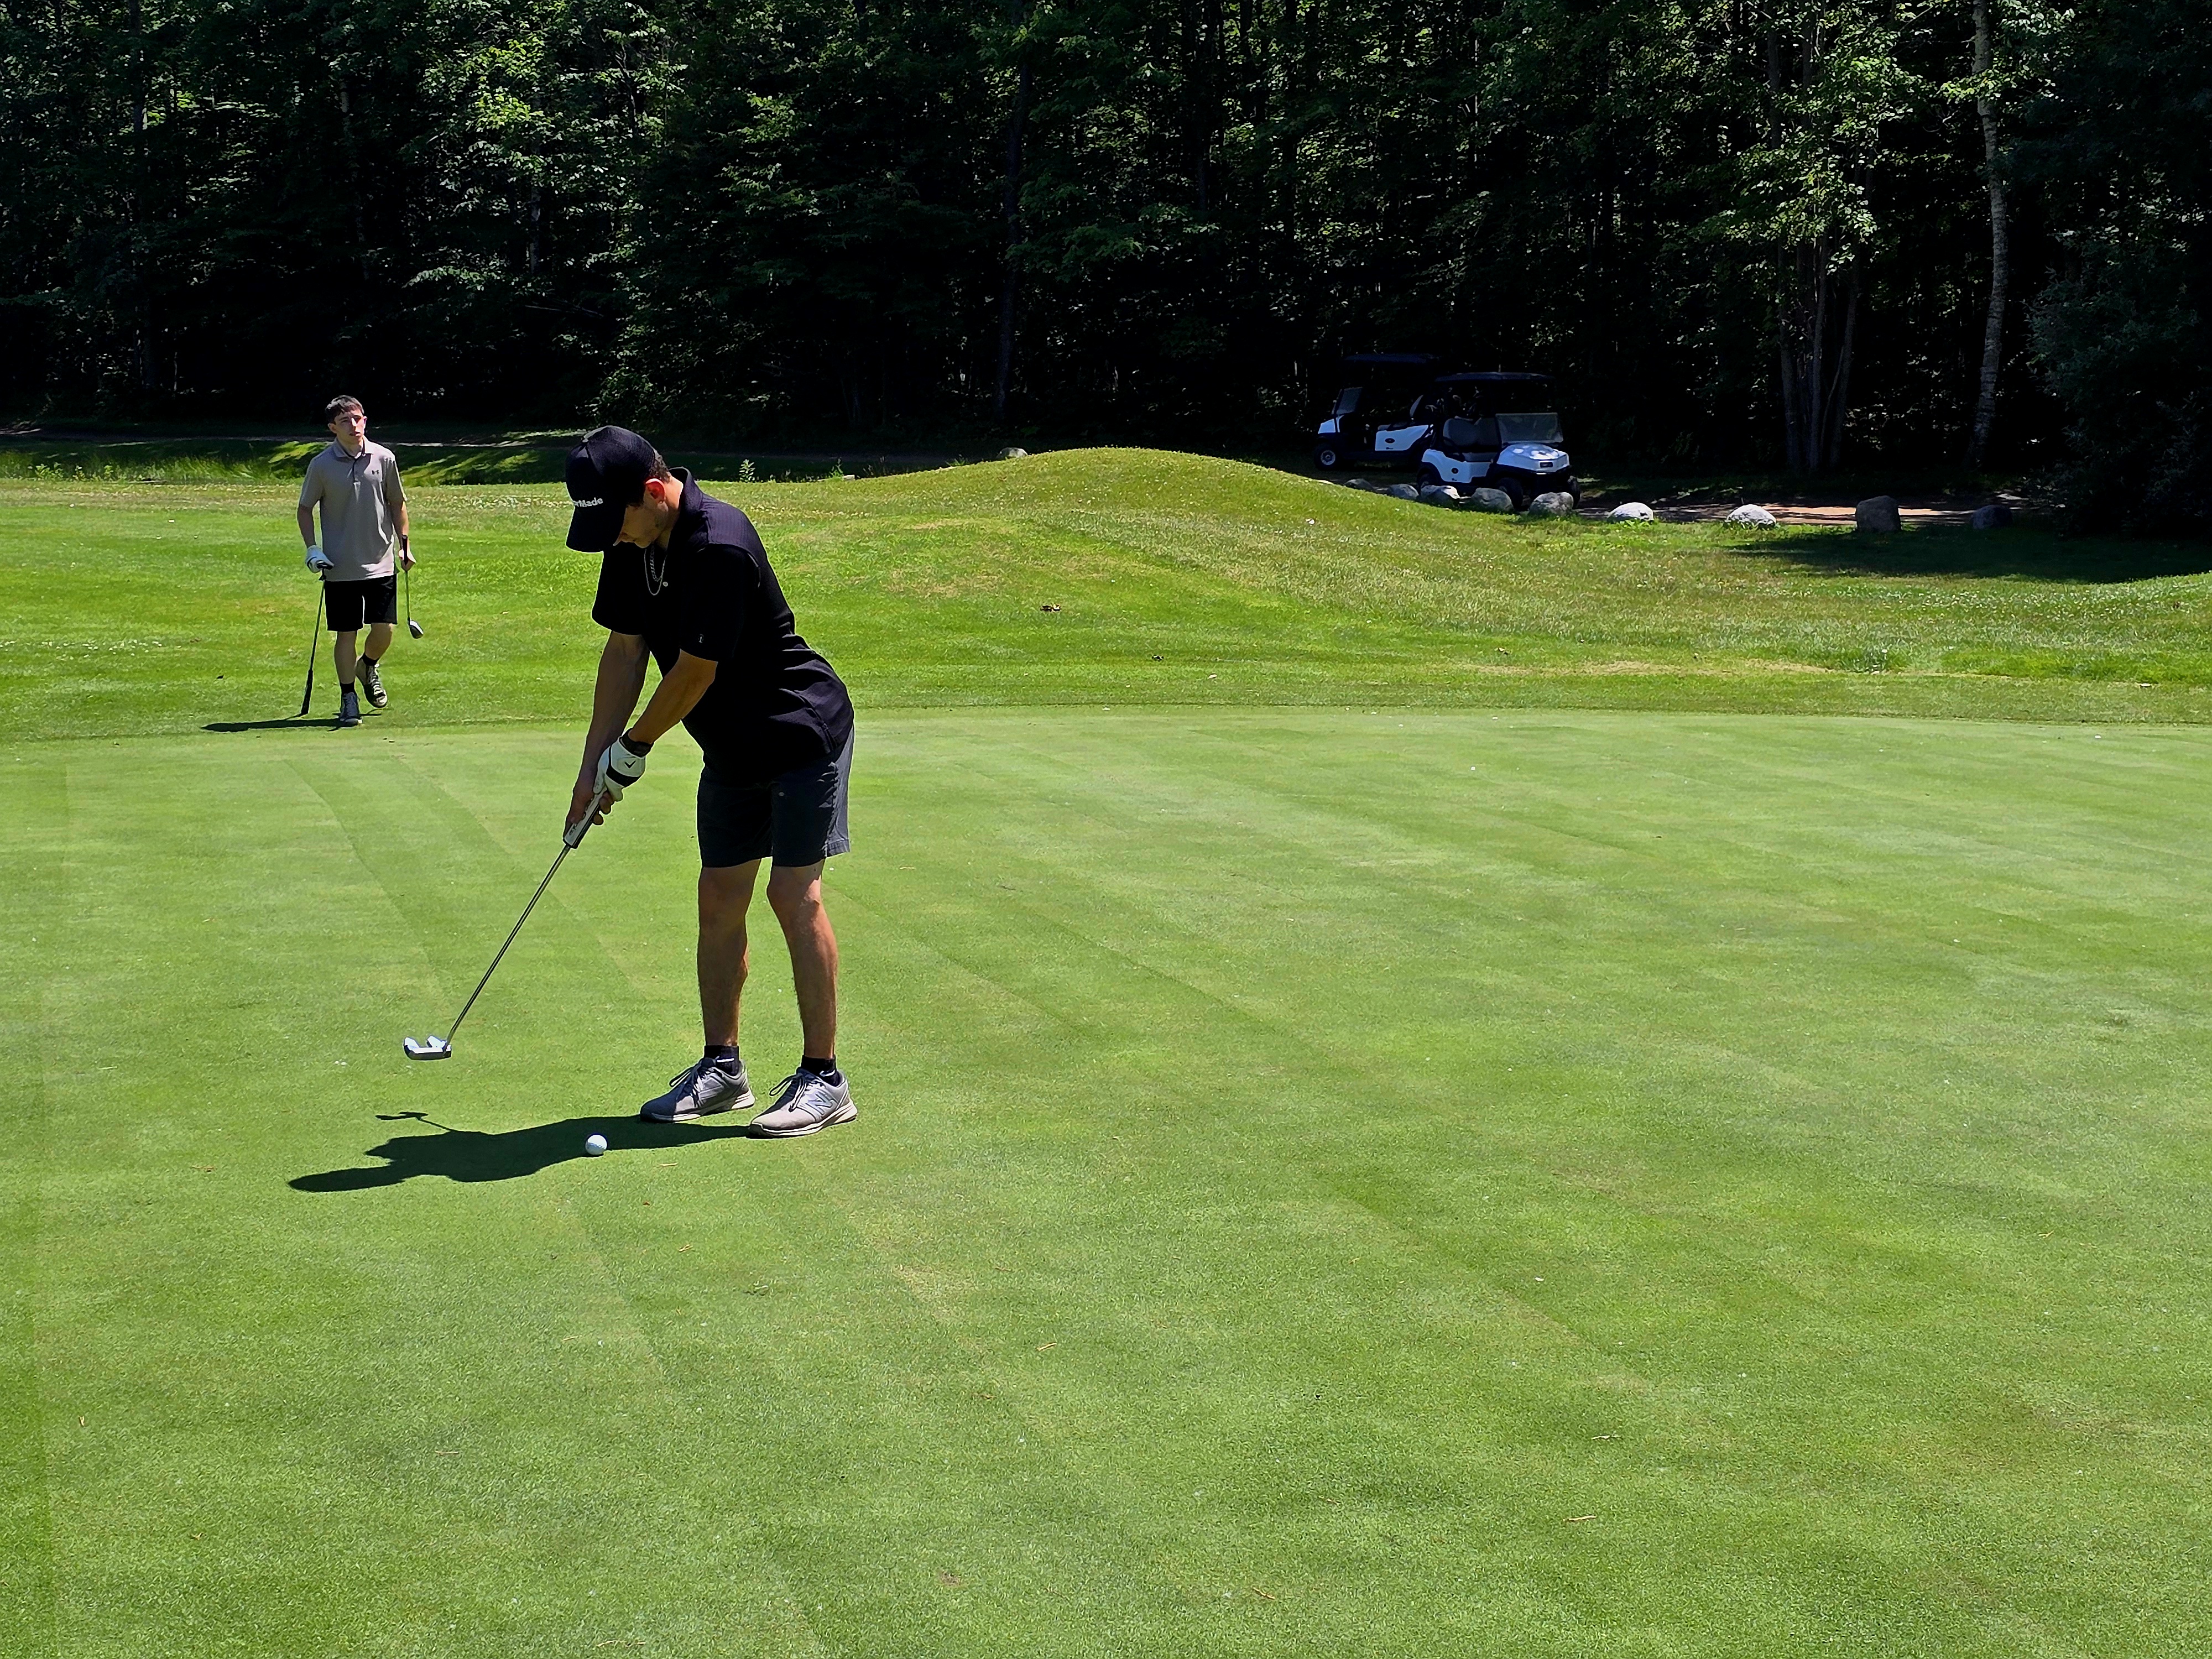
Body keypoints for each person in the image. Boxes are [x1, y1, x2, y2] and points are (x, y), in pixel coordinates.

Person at [564, 426, 858, 1136]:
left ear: (656, 492)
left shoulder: (719, 542)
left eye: (619, 520)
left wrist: (631, 752)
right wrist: (589, 764)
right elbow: (627, 648)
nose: (615, 537)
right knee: (719, 898)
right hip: (730, 746)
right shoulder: (632, 541)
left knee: (793, 893)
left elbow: (695, 671)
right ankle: (723, 1069)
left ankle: (826, 1079)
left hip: (799, 733)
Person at [298, 395, 412, 728]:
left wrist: (404, 547)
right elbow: (305, 509)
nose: (355, 426)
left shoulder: (384, 458)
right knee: (346, 634)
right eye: (346, 421)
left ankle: (368, 665)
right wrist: (312, 549)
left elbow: (397, 503)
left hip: (380, 560)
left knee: (384, 631)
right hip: (339, 566)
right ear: (333, 427)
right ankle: (348, 696)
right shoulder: (321, 465)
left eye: (359, 419)